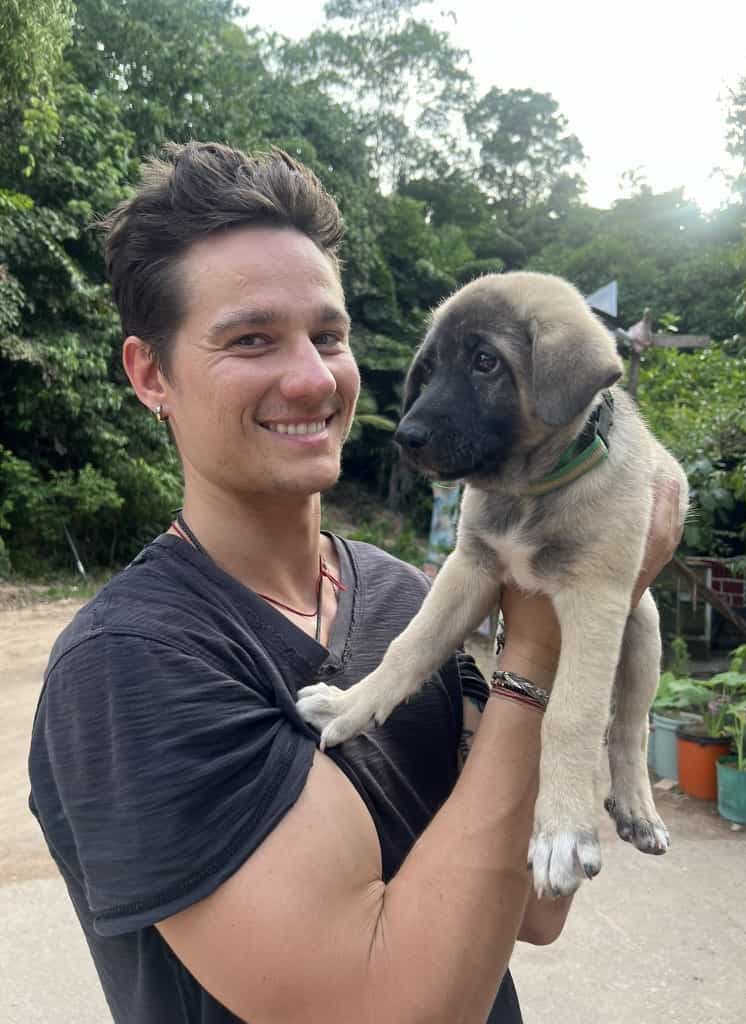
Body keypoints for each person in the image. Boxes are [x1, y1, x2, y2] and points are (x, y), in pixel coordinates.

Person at [28, 142, 681, 1024]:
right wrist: (534, 647)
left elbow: (536, 906)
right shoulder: (133, 666)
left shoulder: (403, 598)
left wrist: (577, 568)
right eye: (251, 339)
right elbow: (386, 1009)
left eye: (327, 337)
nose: (311, 378)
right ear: (151, 374)